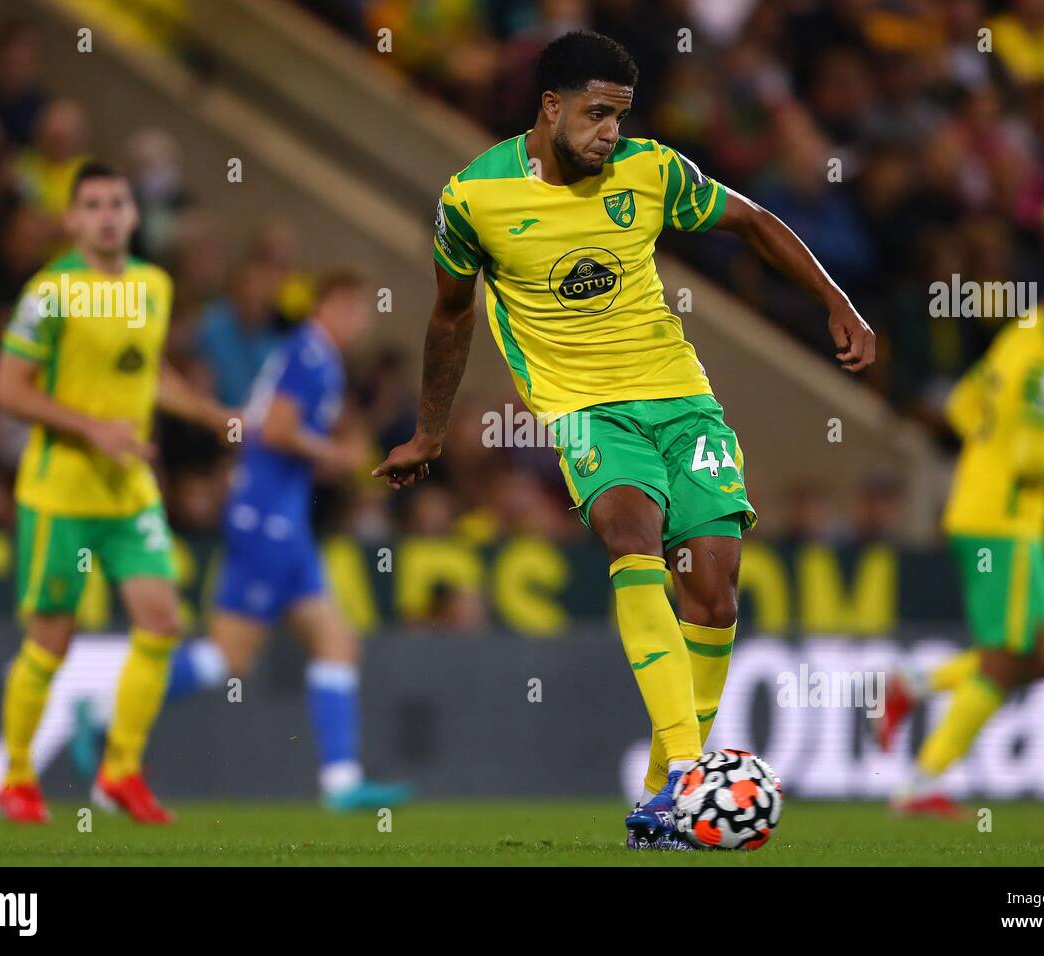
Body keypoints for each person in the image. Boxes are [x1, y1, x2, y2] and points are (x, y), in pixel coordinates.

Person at [372, 31, 874, 849]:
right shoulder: (472, 198)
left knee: (712, 587)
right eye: (598, 115)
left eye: (620, 117)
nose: (611, 133)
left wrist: (837, 303)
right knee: (632, 536)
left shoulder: (652, 171)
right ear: (551, 106)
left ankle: (659, 797)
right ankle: (688, 769)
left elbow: (751, 222)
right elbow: (452, 314)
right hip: (584, 408)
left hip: (681, 397)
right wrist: (429, 431)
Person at [0, 161, 230, 824]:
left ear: (133, 215)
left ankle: (121, 770)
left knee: (162, 620)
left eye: (116, 203)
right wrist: (92, 428)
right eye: (91, 204)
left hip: (129, 492)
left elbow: (148, 374)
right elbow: (8, 390)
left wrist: (215, 415)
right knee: (51, 640)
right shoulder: (49, 293)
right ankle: (16, 778)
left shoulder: (153, 286)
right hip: (61, 493)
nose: (105, 214)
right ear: (71, 220)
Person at [877, 244, 1044, 816]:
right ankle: (922, 780)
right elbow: (1032, 458)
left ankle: (913, 685)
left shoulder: (1022, 334)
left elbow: (961, 404)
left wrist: (988, 450)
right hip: (1004, 520)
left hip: (991, 509)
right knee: (1005, 657)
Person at [164, 271, 412, 810]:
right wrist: (339, 455)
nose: (362, 321)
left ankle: (342, 783)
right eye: (357, 309)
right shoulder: (310, 355)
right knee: (229, 657)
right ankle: (109, 705)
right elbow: (276, 431)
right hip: (267, 517)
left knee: (335, 643)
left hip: (282, 518)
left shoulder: (313, 356)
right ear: (333, 306)